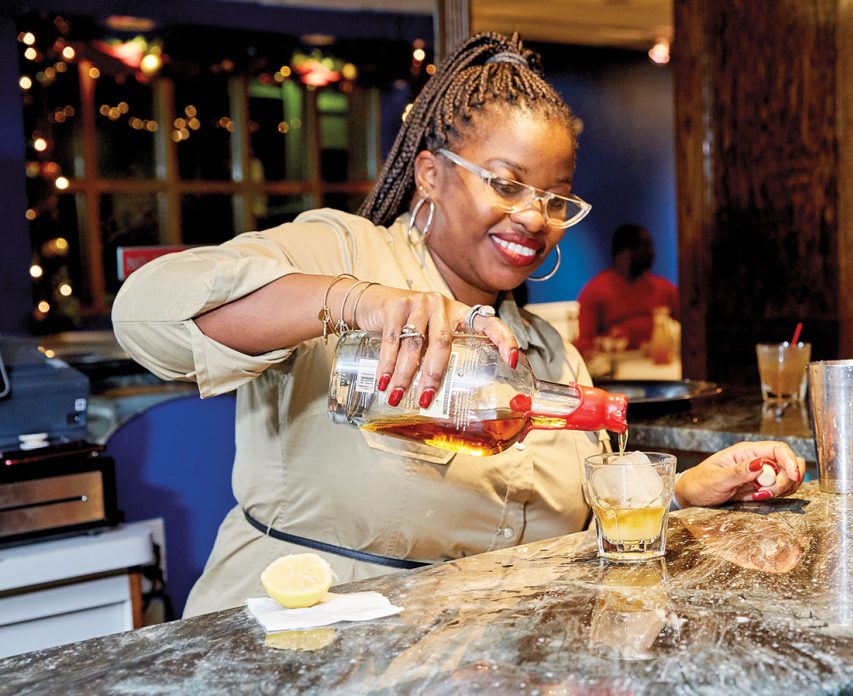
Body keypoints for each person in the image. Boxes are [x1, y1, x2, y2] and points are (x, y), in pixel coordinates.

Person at [112, 33, 803, 617]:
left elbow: (586, 520)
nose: (535, 217)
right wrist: (360, 304)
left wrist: (686, 489)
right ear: (431, 175)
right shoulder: (346, 254)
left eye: (555, 198)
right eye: (505, 184)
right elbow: (148, 313)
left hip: (479, 652)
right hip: (308, 640)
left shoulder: (546, 353)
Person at [576, 223, 679, 351]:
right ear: (621, 254)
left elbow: (692, 328)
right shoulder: (595, 291)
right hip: (618, 365)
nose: (650, 253)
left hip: (660, 362)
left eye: (650, 247)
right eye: (641, 248)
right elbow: (585, 343)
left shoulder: (665, 289)